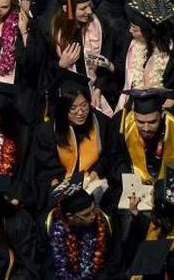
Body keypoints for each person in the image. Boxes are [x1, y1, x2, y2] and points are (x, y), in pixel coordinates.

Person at [32, 71, 121, 211]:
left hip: (93, 184)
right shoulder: (48, 131)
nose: (80, 112)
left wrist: (97, 171)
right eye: (73, 108)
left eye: (84, 105)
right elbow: (45, 166)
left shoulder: (101, 123)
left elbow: (110, 154)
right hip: (62, 186)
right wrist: (59, 184)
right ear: (63, 109)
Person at [41, 0, 123, 115]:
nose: (90, 11)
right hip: (66, 98)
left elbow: (107, 60)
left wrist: (98, 88)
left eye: (90, 6)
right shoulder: (51, 32)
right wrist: (61, 65)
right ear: (67, 9)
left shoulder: (100, 26)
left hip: (97, 94)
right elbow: (44, 73)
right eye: (83, 8)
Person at [37, 185, 121, 280]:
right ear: (70, 216)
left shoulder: (104, 222)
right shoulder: (49, 225)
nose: (93, 216)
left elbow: (112, 262)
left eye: (94, 209)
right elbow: (47, 265)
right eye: (86, 214)